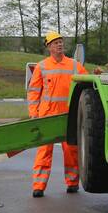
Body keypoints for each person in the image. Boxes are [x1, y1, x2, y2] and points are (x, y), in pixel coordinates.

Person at [27, 31, 87, 197]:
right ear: (49, 47)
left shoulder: (74, 65)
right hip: (47, 117)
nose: (59, 44)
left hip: (68, 116)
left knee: (71, 151)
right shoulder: (42, 66)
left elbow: (87, 81)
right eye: (55, 42)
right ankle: (38, 186)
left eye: (60, 42)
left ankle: (72, 183)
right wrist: (33, 113)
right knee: (44, 152)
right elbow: (33, 92)